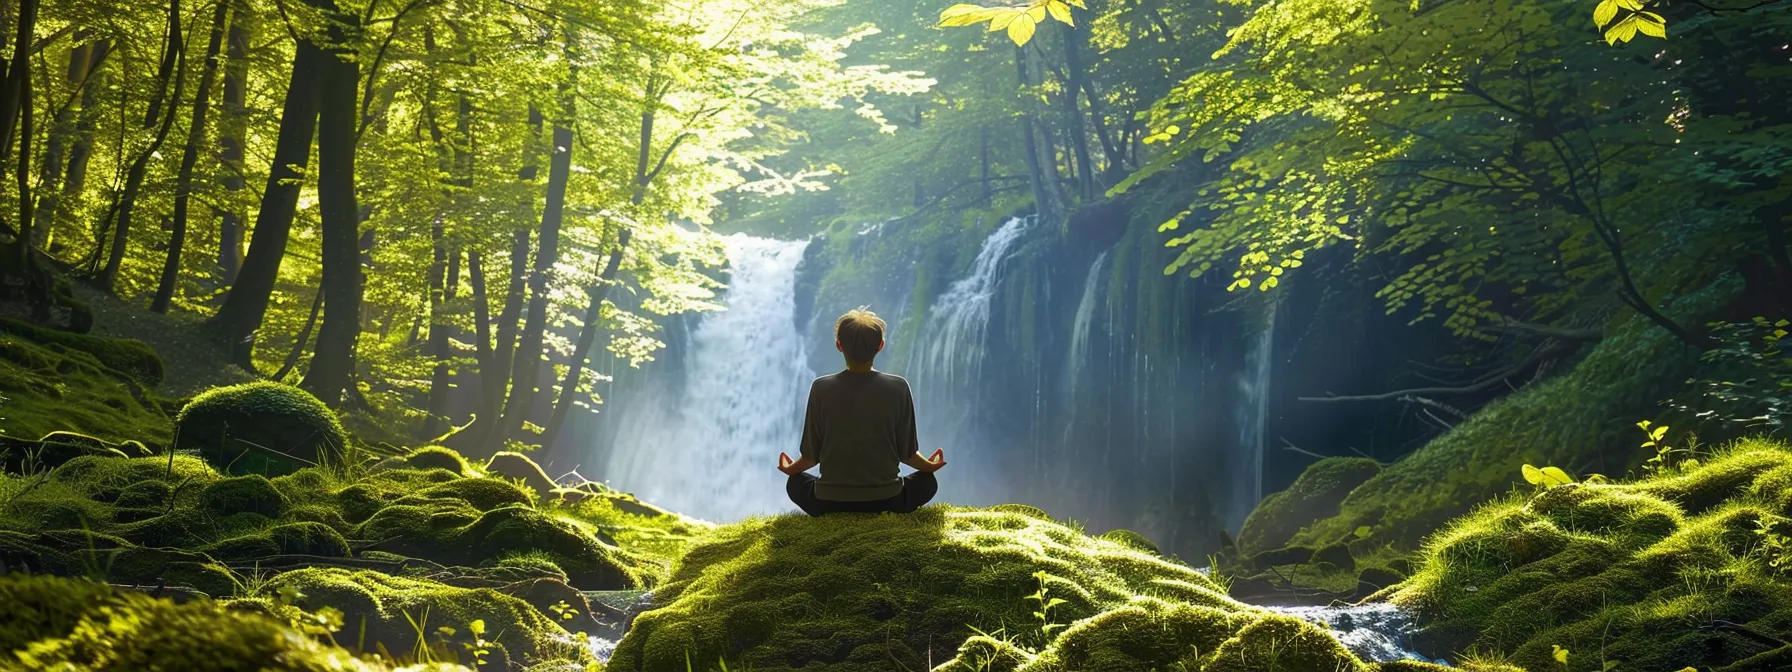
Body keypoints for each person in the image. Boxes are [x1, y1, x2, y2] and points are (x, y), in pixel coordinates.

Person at [778, 308, 947, 516]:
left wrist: (790, 469)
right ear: (880, 346)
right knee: (926, 482)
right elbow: (908, 454)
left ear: (839, 345)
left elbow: (811, 458)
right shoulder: (899, 387)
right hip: (889, 499)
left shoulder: (820, 388)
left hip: (828, 502)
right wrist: (930, 466)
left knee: (795, 483)